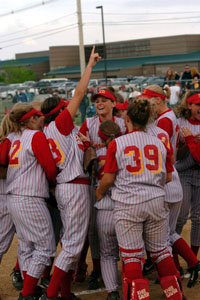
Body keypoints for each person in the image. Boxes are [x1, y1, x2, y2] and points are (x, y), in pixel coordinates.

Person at [96, 97, 186, 300]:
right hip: (155, 200)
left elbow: (108, 178)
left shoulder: (118, 143)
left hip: (128, 203)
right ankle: (176, 296)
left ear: (127, 118)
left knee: (132, 256)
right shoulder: (159, 142)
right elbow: (169, 176)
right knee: (161, 252)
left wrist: (99, 192)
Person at [39, 46, 101, 300]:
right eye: (65, 107)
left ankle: (63, 293)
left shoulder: (49, 132)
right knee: (73, 244)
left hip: (67, 186)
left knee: (69, 241)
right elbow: (80, 92)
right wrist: (89, 66)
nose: (70, 110)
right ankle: (51, 294)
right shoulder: (60, 124)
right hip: (74, 186)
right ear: (58, 112)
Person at [139, 85, 200, 287]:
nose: (146, 104)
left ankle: (173, 279)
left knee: (161, 237)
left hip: (165, 178)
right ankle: (190, 264)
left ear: (157, 100)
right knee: (169, 233)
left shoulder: (164, 119)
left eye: (148, 100)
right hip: (171, 177)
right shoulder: (168, 117)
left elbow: (161, 153)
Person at [0, 103, 58, 300]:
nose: (41, 119)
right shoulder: (36, 135)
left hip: (14, 198)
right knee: (46, 247)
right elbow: (49, 168)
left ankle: (30, 288)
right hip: (30, 198)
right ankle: (27, 292)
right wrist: (54, 185)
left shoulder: (12, 137)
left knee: (26, 247)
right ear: (30, 119)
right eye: (38, 116)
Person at [76, 88, 126, 290]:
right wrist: (90, 152)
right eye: (97, 100)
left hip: (122, 183)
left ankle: (133, 268)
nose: (99, 103)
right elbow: (80, 149)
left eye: (105, 99)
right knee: (94, 230)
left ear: (114, 104)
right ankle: (97, 269)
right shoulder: (88, 123)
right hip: (96, 184)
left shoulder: (123, 123)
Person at [175, 91, 200, 264]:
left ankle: (193, 260)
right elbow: (176, 156)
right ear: (189, 106)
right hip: (182, 174)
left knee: (198, 218)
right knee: (180, 218)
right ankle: (174, 259)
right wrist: (185, 142)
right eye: (197, 104)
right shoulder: (179, 123)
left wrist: (191, 140)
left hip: (199, 174)